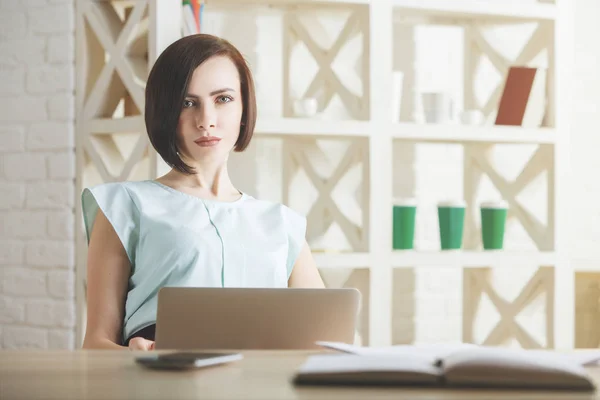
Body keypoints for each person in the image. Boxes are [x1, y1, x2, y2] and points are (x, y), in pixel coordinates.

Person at [81, 34, 325, 351]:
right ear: (165, 113)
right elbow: (96, 343)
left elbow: (328, 333)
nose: (206, 120)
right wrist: (134, 357)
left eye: (222, 99)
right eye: (187, 103)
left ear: (244, 109)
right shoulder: (124, 206)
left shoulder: (282, 223)